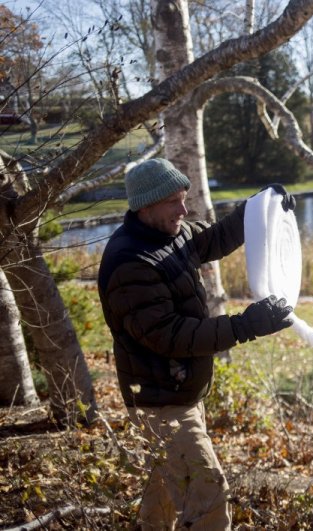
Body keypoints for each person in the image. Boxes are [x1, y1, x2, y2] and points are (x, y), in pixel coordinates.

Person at [97, 158, 295, 530]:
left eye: (184, 199)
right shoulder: (131, 264)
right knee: (206, 490)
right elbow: (169, 335)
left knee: (164, 489)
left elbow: (216, 237)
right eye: (174, 201)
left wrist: (259, 208)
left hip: (178, 390)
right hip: (160, 400)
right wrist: (244, 326)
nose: (184, 210)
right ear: (146, 205)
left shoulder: (172, 235)